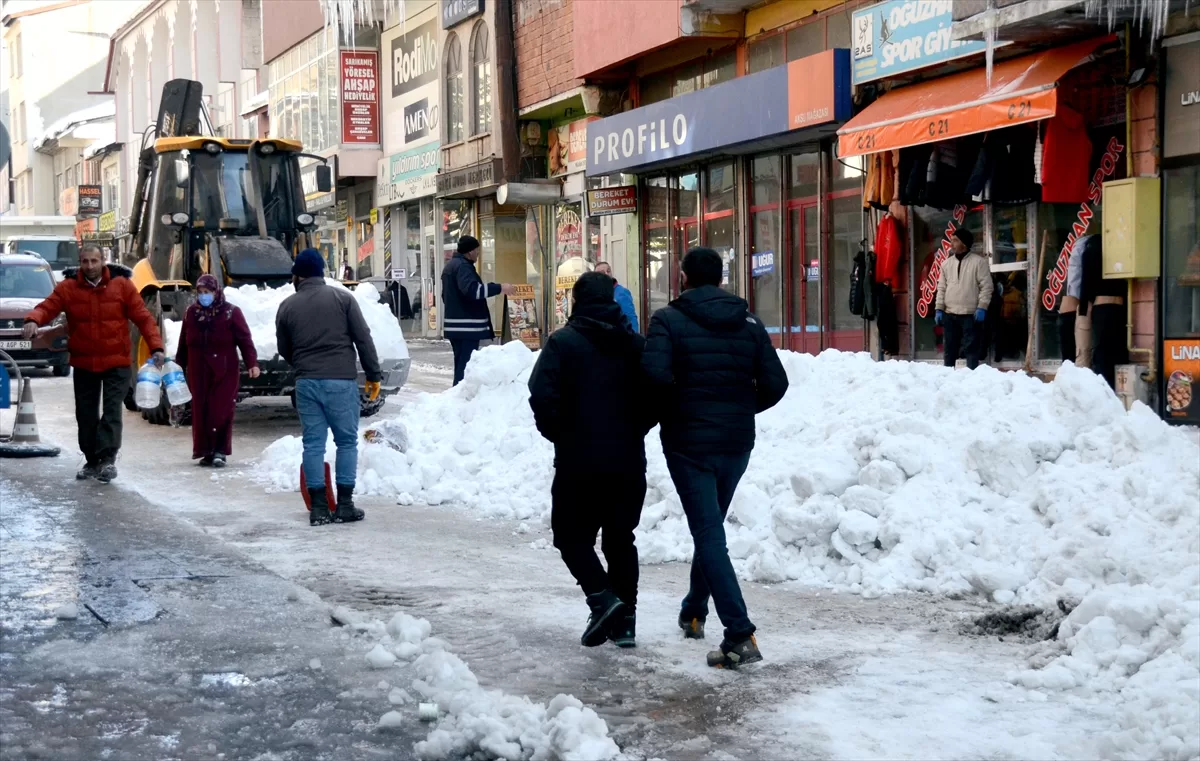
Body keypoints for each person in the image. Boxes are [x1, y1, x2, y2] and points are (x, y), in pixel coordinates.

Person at [642, 247, 789, 669]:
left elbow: (652, 375)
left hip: (689, 443)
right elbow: (776, 384)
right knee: (711, 530)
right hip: (736, 442)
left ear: (684, 277)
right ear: (721, 279)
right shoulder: (749, 323)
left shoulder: (667, 320)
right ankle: (693, 612)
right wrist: (740, 408)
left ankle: (740, 635)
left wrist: (680, 408)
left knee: (708, 533)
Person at [528, 273, 656, 649]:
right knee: (620, 540)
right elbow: (656, 396)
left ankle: (602, 597)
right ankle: (625, 622)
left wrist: (562, 434)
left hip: (577, 461)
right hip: (627, 460)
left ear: (577, 301)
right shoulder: (636, 346)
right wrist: (635, 430)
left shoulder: (563, 343)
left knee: (570, 537)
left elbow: (541, 395)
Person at [22, 243, 165, 483]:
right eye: (85, 261)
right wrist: (33, 320)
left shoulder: (122, 286)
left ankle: (107, 460)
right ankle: (91, 460)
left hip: (116, 362)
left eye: (94, 261)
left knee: (111, 413)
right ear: (80, 262)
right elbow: (47, 307)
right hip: (84, 362)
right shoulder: (68, 288)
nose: (90, 266)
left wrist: (157, 347)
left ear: (103, 260)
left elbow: (144, 318)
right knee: (86, 415)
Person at [276, 249, 382, 525]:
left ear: (297, 275)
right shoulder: (343, 299)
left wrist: (304, 364)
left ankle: (320, 508)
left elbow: (284, 348)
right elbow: (363, 338)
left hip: (307, 383)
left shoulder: (287, 306)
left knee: (313, 445)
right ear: (322, 273)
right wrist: (373, 374)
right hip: (341, 381)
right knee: (346, 442)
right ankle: (345, 505)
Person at [176, 274, 260, 467]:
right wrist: (177, 367)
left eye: (208, 292)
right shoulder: (191, 313)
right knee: (201, 411)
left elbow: (245, 341)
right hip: (199, 372)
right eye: (201, 292)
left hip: (225, 370)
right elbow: (183, 343)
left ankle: (220, 450)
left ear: (216, 292)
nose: (204, 296)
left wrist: (252, 363)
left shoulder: (231, 312)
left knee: (220, 409)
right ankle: (206, 451)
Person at [440, 235, 514, 385]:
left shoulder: (452, 266)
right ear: (470, 251)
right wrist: (500, 288)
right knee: (465, 368)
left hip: (456, 327)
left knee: (461, 366)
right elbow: (474, 291)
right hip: (467, 328)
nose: (479, 253)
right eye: (477, 250)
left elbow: (445, 296)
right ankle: (460, 399)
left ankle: (457, 396)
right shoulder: (463, 267)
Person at [934, 228, 992, 370]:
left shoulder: (979, 263)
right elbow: (941, 288)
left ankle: (971, 380)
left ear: (964, 244)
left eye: (955, 241)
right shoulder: (946, 264)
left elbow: (987, 287)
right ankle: (947, 377)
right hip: (950, 314)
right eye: (951, 240)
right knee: (949, 350)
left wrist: (982, 307)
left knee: (971, 350)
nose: (952, 244)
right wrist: (939, 309)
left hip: (970, 315)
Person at [1079, 235, 1127, 389]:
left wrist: (1082, 311)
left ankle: (1106, 393)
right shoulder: (1120, 250)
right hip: (1120, 308)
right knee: (1119, 351)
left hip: (1101, 307)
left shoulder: (1089, 251)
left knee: (1102, 353)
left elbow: (1085, 284)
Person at [594, 261, 638, 330]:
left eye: (608, 271)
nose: (606, 274)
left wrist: (633, 338)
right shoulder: (594, 294)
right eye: (602, 272)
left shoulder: (622, 292)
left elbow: (630, 318)